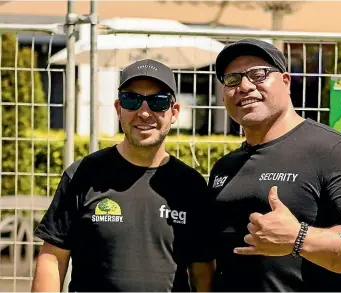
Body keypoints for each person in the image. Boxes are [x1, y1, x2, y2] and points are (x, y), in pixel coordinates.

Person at [209, 38, 341, 292]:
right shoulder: (224, 168)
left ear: (286, 82)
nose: (244, 86)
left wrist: (300, 238)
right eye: (232, 79)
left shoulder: (334, 151)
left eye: (258, 74)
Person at [32, 59, 215, 292]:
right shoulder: (83, 174)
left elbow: (202, 272)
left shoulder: (191, 186)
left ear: (174, 112)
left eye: (158, 102)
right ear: (119, 109)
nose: (144, 113)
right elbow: (53, 257)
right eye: (132, 100)